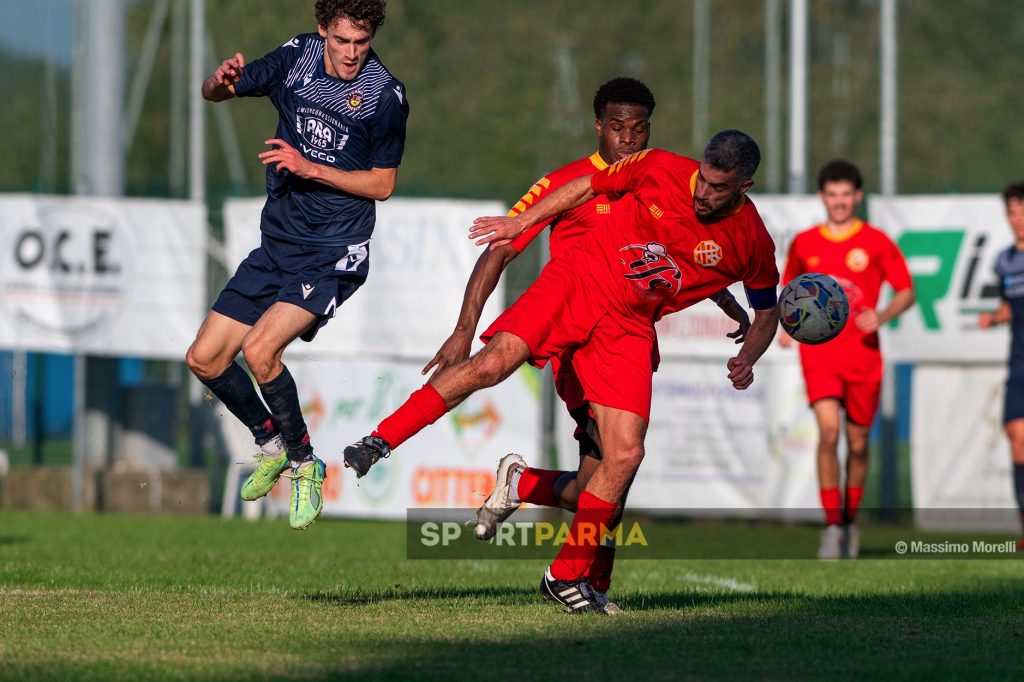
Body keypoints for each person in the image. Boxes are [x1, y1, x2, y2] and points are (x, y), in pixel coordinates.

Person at [344, 130, 779, 613]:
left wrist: (748, 357)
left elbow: (766, 310)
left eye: (719, 188)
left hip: (630, 327)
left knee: (624, 456)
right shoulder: (660, 168)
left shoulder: (753, 241)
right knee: (493, 364)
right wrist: (521, 223)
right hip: (582, 278)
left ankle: (564, 576)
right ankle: (379, 439)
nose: (703, 193)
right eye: (703, 179)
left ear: (746, 186)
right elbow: (589, 185)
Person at [185, 0, 409, 530]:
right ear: (322, 31)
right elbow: (215, 93)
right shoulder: (295, 57)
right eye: (342, 40)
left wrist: (310, 167)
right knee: (205, 359)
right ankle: (270, 442)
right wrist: (218, 81)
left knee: (260, 351)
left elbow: (383, 183)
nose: (353, 52)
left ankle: (305, 465)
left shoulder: (384, 95)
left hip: (334, 250)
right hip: (277, 245)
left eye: (362, 41)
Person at [780, 160, 914, 559]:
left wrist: (883, 314)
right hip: (820, 357)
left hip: (863, 358)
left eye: (846, 194)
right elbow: (790, 290)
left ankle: (851, 521)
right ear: (823, 196)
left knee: (857, 445)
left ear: (857, 196)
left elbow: (906, 291)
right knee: (829, 434)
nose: (839, 202)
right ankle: (831, 527)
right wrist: (788, 328)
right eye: (832, 194)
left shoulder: (876, 241)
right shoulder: (805, 243)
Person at [977, 180, 1024, 551]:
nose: (1018, 218)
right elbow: (1013, 305)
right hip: (1018, 364)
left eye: (1023, 209)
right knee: (1017, 440)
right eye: (1012, 211)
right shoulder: (1005, 260)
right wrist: (996, 316)